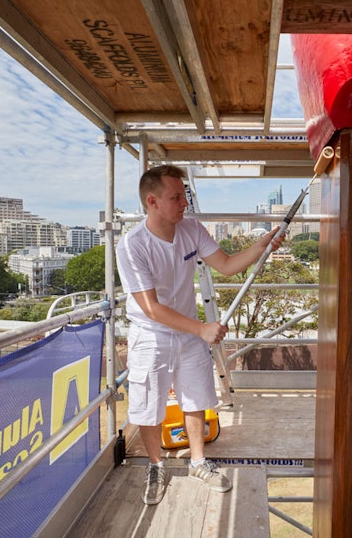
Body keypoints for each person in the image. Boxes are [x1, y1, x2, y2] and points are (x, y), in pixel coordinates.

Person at [116, 164, 285, 505]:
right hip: (152, 334)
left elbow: (226, 264)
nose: (184, 204)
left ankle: (197, 461)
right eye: (176, 197)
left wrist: (263, 244)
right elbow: (150, 307)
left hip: (189, 331)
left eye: (185, 196)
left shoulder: (191, 229)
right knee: (150, 405)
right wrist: (203, 329)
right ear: (153, 201)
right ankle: (155, 464)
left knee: (196, 397)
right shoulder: (132, 245)